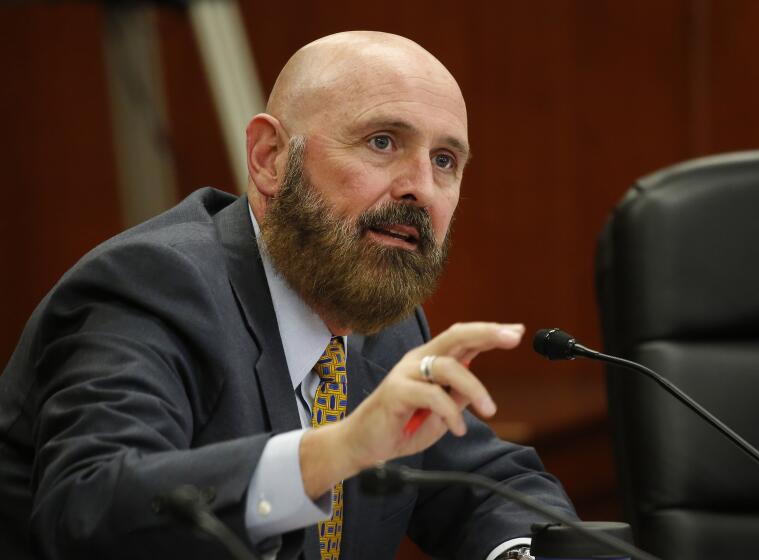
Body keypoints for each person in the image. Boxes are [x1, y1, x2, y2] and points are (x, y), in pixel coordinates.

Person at [0, 31, 575, 560]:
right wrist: (337, 450)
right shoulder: (154, 285)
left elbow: (486, 486)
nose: (421, 188)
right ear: (269, 158)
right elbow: (87, 507)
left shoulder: (380, 317)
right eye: (382, 141)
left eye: (445, 161)